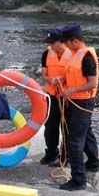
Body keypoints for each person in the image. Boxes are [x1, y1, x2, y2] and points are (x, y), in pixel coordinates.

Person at [58, 25, 99, 191]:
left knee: (74, 140)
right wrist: (62, 80)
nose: (65, 46)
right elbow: (72, 74)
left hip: (83, 102)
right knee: (86, 132)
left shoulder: (87, 58)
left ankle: (78, 180)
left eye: (67, 43)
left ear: (75, 41)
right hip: (74, 101)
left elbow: (92, 83)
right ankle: (93, 163)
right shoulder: (74, 54)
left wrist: (71, 90)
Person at [40, 28, 70, 166]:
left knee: (67, 127)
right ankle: (51, 153)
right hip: (51, 96)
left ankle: (66, 156)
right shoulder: (46, 54)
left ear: (61, 41)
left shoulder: (71, 53)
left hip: (68, 97)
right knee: (50, 126)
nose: (50, 45)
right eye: (49, 43)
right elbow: (44, 75)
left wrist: (63, 79)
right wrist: (51, 80)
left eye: (53, 42)